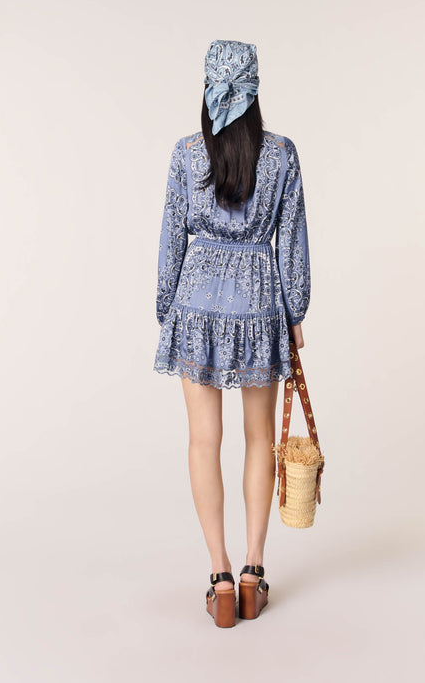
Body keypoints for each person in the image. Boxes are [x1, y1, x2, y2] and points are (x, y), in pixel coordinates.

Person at [153, 39, 311, 627]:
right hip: (259, 303)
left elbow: (172, 237)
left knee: (203, 441)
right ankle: (252, 571)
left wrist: (166, 308)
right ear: (255, 90)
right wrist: (295, 313)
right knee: (259, 437)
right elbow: (291, 240)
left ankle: (218, 576)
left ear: (207, 88)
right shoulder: (282, 155)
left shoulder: (186, 153)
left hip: (196, 303)